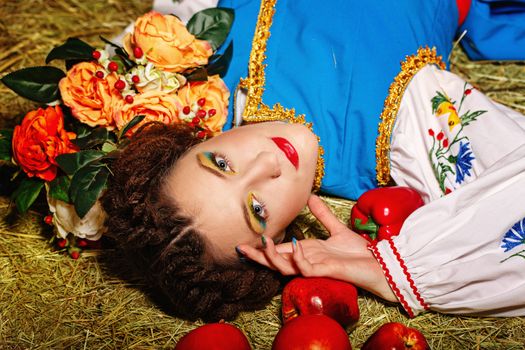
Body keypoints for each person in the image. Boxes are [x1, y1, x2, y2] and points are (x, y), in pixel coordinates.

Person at [102, 0, 525, 321]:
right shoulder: (405, 135)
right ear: (282, 241)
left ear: (193, 140)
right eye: (257, 209)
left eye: (221, 163)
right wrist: (397, 271)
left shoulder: (198, 49)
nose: (266, 163)